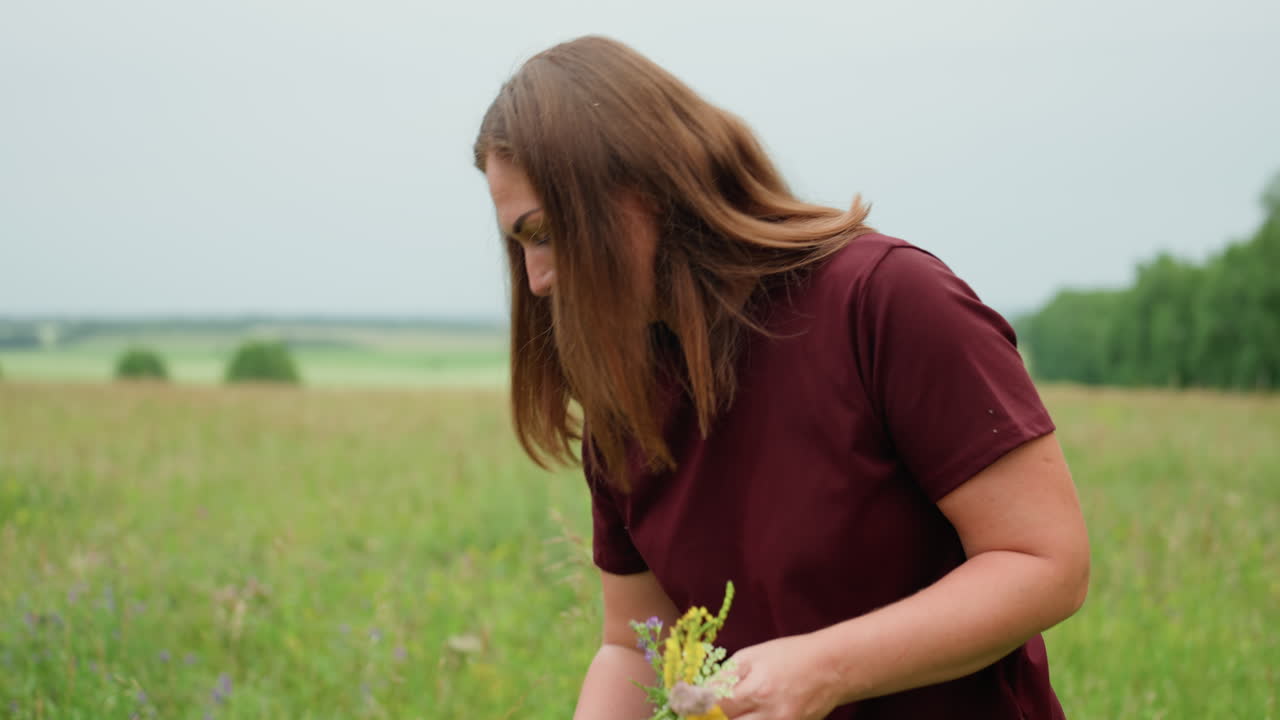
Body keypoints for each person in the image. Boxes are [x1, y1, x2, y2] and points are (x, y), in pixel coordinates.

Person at [473, 35, 1090, 720]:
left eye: (545, 232)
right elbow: (635, 643)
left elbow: (1044, 563)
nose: (536, 280)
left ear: (640, 187)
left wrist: (824, 670)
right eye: (520, 244)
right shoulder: (626, 391)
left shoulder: (883, 300)